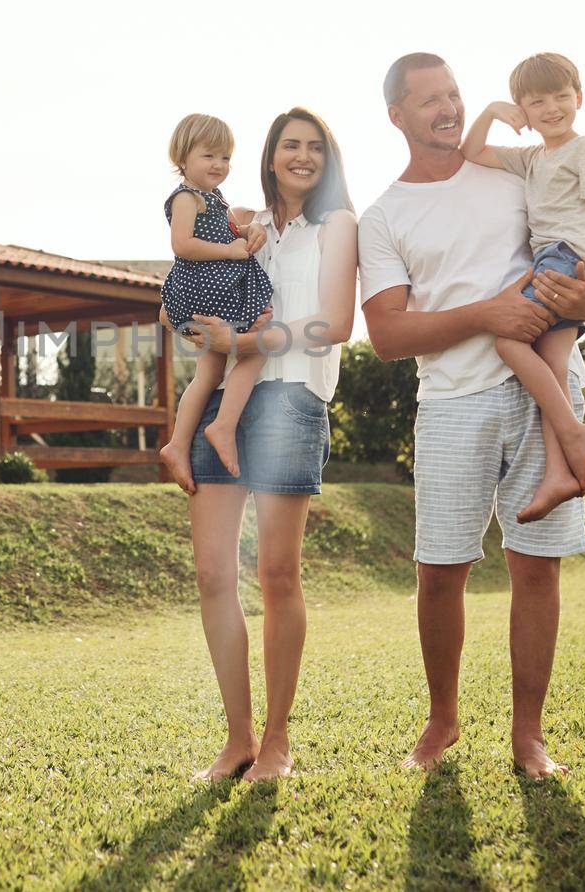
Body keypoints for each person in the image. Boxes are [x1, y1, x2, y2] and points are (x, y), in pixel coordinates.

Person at [358, 54, 585, 779]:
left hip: (544, 392)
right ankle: (442, 721)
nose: (449, 108)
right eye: (429, 100)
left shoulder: (510, 173)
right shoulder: (383, 216)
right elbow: (389, 337)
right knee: (440, 571)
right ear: (397, 115)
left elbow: (577, 273)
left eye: (454, 94)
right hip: (453, 402)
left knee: (538, 569)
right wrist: (486, 314)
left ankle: (529, 738)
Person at [170, 107, 357, 783]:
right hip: (225, 399)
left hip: (291, 398)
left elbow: (335, 324)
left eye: (314, 147)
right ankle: (238, 739)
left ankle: (277, 740)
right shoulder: (242, 223)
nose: (302, 156)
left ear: (325, 159)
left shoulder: (337, 225)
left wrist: (244, 345)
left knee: (277, 577)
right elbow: (196, 281)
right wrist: (205, 336)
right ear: (271, 156)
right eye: (289, 146)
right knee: (213, 576)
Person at [461, 53, 585, 521]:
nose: (552, 108)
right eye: (537, 102)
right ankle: (559, 471)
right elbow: (472, 152)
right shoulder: (533, 157)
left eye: (561, 96)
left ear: (579, 97)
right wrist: (494, 111)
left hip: (565, 260)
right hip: (552, 260)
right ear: (524, 111)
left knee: (509, 340)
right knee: (553, 363)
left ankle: (575, 433)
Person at [157, 114, 274, 490]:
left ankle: (177, 444)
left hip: (211, 290)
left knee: (209, 371)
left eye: (225, 158)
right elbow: (182, 245)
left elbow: (234, 225)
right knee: (255, 349)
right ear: (183, 157)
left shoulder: (214, 199)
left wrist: (246, 229)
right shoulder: (186, 198)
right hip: (205, 290)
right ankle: (222, 425)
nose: (219, 166)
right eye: (209, 156)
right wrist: (231, 250)